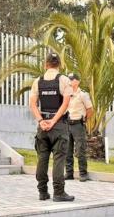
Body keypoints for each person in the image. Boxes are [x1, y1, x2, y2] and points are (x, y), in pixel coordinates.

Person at [29, 53, 74, 202]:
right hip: (59, 125)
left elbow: (32, 104)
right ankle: (59, 193)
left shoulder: (37, 81)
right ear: (59, 64)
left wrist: (41, 121)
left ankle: (42, 192)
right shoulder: (64, 80)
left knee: (42, 158)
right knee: (59, 159)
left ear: (45, 64)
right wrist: (54, 121)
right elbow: (65, 103)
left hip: (43, 126)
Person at [65, 72, 93, 182]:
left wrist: (84, 120)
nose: (70, 82)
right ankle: (69, 173)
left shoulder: (83, 95)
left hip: (78, 125)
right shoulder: (66, 94)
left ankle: (83, 173)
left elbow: (90, 110)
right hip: (67, 124)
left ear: (77, 81)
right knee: (67, 150)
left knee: (80, 150)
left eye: (72, 80)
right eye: (69, 80)